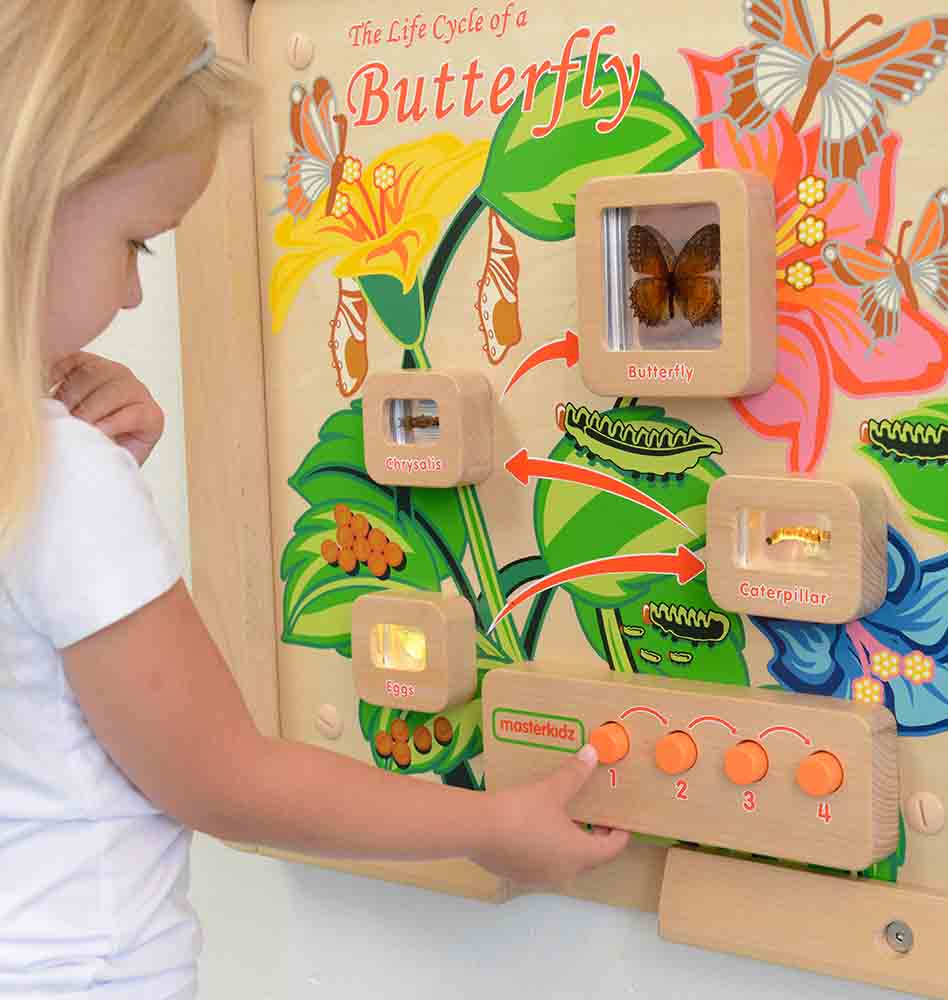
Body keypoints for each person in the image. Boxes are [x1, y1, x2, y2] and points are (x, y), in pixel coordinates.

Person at [0, 2, 630, 997]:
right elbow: (226, 779)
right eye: (139, 242)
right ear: (36, 192)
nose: (129, 297)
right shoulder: (60, 483)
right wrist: (490, 828)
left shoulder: (46, 473)